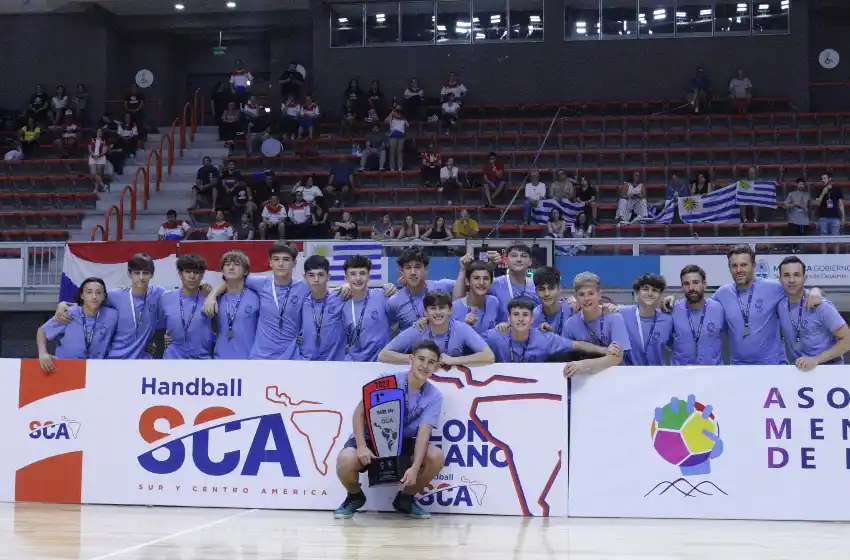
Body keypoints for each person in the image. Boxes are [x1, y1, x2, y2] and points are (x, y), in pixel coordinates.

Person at [333, 340, 445, 520]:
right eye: (421, 359)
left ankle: (406, 499)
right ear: (411, 359)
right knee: (346, 459)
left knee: (436, 456)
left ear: (437, 366)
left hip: (403, 442)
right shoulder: (387, 381)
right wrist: (361, 446)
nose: (425, 365)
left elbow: (424, 434)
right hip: (371, 439)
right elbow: (358, 413)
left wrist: (415, 468)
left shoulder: (435, 396)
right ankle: (354, 496)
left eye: (431, 362)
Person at [663, 245, 824, 365]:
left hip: (772, 365)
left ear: (753, 266)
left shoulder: (773, 288)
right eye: (734, 266)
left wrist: (816, 291)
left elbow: (796, 288)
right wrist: (672, 298)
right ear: (730, 268)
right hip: (739, 368)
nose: (739, 270)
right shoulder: (722, 294)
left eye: (744, 265)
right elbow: (697, 298)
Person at [204, 241, 307, 360]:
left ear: (294, 263)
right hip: (261, 357)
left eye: (286, 259)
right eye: (276, 259)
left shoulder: (304, 287)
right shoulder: (261, 284)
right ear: (270, 262)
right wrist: (212, 296)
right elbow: (231, 279)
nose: (281, 263)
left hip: (291, 357)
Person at [55, 254, 165, 359]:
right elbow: (90, 304)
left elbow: (178, 300)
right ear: (129, 274)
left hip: (140, 359)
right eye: (137, 273)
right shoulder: (116, 295)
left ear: (152, 274)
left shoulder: (158, 293)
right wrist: (64, 304)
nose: (141, 277)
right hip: (114, 359)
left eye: (145, 273)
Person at [484, 297, 617, 364]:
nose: (520, 319)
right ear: (508, 318)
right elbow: (470, 343)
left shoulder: (545, 338)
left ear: (532, 319)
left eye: (525, 315)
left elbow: (578, 345)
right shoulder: (495, 335)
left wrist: (605, 350)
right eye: (516, 314)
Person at [379, 290, 495, 366]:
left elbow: (489, 356)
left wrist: (453, 360)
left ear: (450, 310)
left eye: (442, 308)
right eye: (433, 308)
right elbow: (383, 355)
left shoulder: (462, 329)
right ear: (425, 311)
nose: (438, 312)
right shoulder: (418, 329)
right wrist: (416, 358)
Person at [777, 256, 850, 371]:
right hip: (800, 371)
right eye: (787, 275)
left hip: (830, 370)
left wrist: (816, 360)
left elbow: (847, 340)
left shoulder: (821, 306)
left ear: (804, 278)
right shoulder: (780, 305)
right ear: (780, 279)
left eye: (796, 275)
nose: (791, 280)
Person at [38, 277, 118, 372]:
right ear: (82, 295)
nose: (94, 296)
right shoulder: (69, 312)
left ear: (104, 296)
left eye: (98, 292)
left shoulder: (112, 315)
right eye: (89, 292)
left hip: (96, 370)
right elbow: (42, 331)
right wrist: (42, 353)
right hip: (66, 369)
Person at [562, 272, 631, 360]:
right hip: (582, 373)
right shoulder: (570, 325)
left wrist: (584, 365)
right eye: (581, 294)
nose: (586, 299)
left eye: (591, 293)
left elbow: (618, 357)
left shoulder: (614, 318)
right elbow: (565, 357)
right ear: (576, 297)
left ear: (599, 295)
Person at [669, 265, 727, 366]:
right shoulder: (672, 309)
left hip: (713, 374)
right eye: (686, 284)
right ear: (682, 286)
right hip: (680, 375)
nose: (691, 288)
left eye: (695, 282)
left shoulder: (719, 308)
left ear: (704, 284)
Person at [387, 248, 457, 330]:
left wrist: (463, 270)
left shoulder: (443, 286)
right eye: (408, 267)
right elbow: (390, 328)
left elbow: (469, 286)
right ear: (402, 272)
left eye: (417, 267)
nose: (413, 272)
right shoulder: (394, 301)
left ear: (426, 269)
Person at [158, 254, 212, 360]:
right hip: (172, 362)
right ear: (180, 274)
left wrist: (212, 294)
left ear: (202, 275)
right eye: (187, 272)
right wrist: (162, 337)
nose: (192, 276)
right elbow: (155, 327)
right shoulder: (166, 297)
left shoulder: (210, 298)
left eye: (196, 272)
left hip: (202, 362)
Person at [296, 255, 346, 361]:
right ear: (305, 277)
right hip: (306, 363)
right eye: (311, 275)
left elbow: (362, 292)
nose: (316, 279)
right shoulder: (301, 301)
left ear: (328, 276)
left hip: (334, 364)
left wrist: (348, 285)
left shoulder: (341, 298)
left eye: (320, 275)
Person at [617, 274, 674, 366]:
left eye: (655, 290)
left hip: (657, 375)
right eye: (645, 289)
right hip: (629, 375)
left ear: (660, 294)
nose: (650, 293)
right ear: (637, 292)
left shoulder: (667, 320)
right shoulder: (622, 314)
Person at [343, 255, 391, 362]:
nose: (358, 278)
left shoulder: (383, 295)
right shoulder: (343, 305)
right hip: (354, 363)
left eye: (362, 273)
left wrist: (393, 288)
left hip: (381, 363)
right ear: (346, 279)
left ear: (369, 276)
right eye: (353, 274)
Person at [213, 251, 259, 359]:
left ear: (246, 271)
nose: (231, 267)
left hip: (249, 360)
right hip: (220, 360)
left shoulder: (257, 297)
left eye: (237, 264)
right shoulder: (215, 298)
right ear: (222, 270)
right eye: (227, 264)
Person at [452, 258, 501, 335]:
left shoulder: (493, 302)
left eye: (485, 278)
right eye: (476, 278)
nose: (481, 282)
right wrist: (463, 327)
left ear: (491, 283)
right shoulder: (455, 308)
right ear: (467, 281)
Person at [487, 243, 540, 314]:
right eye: (514, 256)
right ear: (505, 260)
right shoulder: (495, 284)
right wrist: (489, 267)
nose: (519, 259)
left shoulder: (536, 287)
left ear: (530, 262)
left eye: (523, 256)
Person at [531, 266, 573, 335]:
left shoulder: (571, 311)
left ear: (559, 289)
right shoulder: (533, 316)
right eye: (541, 289)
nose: (547, 294)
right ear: (536, 291)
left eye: (551, 288)